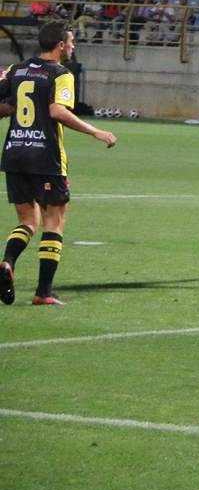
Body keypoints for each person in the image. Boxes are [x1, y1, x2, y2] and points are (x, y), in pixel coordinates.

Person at [0, 22, 117, 306]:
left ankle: (7, 262)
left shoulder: (16, 70)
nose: (73, 46)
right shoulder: (61, 73)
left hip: (14, 152)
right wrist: (95, 131)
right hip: (45, 158)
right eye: (72, 41)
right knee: (54, 221)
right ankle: (43, 292)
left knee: (28, 221)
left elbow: (4, 107)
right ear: (61, 45)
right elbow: (57, 111)